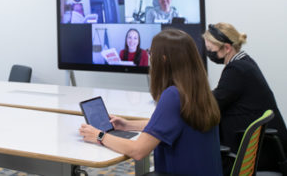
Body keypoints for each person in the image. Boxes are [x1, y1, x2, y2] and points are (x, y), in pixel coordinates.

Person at [79, 29, 222, 175]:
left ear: (163, 59)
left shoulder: (173, 95)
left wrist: (99, 135)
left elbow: (138, 151)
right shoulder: (198, 90)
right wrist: (127, 125)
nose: (149, 57)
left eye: (151, 52)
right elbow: (171, 124)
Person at [203, 23, 287, 171]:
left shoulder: (236, 70)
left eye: (211, 50)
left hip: (257, 155)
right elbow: (222, 95)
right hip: (266, 150)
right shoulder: (244, 62)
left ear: (227, 48)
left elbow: (212, 104)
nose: (209, 54)